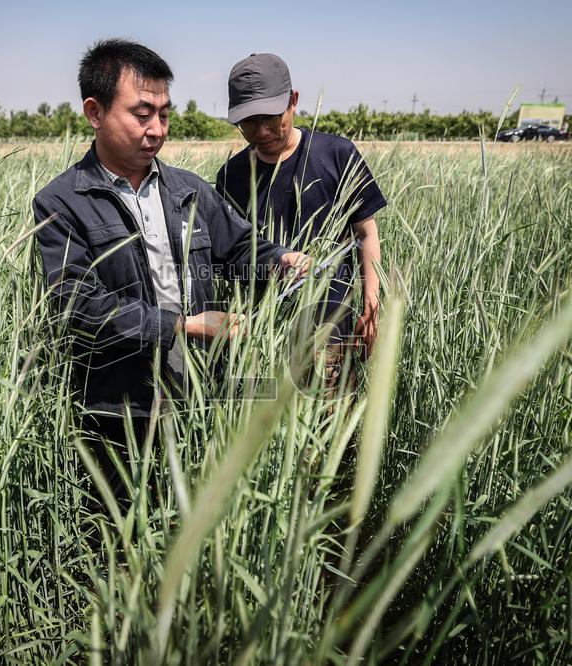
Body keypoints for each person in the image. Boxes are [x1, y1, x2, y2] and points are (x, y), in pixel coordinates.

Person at [32, 40, 309, 507]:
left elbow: (239, 246)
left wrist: (280, 260)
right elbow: (77, 304)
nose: (157, 129)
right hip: (122, 407)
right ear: (94, 112)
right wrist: (182, 327)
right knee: (125, 530)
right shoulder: (62, 202)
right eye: (142, 114)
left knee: (204, 512)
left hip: (201, 390)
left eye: (164, 114)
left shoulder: (189, 189)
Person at [216, 53, 387, 380]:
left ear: (293, 101)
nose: (263, 131)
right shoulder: (232, 176)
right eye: (249, 122)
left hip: (331, 326)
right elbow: (228, 252)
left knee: (329, 419)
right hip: (261, 335)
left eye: (271, 117)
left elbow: (366, 233)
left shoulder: (337, 155)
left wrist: (371, 304)